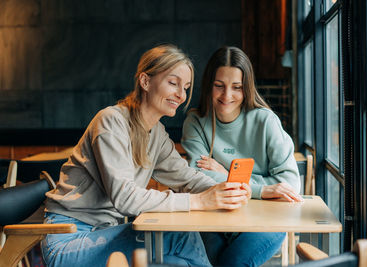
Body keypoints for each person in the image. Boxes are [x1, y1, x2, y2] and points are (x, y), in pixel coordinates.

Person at [41, 44, 251, 267]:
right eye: (173, 83)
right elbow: (125, 198)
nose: (181, 95)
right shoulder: (111, 122)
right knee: (180, 236)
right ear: (145, 81)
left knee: (179, 264)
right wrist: (199, 200)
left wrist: (225, 189)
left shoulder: (156, 132)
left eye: (186, 87)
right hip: (69, 240)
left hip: (104, 234)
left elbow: (186, 177)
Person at [181, 46, 303, 267]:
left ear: (246, 88)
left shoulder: (266, 121)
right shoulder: (196, 122)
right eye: (219, 86)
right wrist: (263, 189)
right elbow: (197, 179)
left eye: (236, 87)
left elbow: (291, 185)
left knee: (232, 263)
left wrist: (226, 175)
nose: (227, 96)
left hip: (267, 221)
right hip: (217, 219)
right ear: (209, 85)